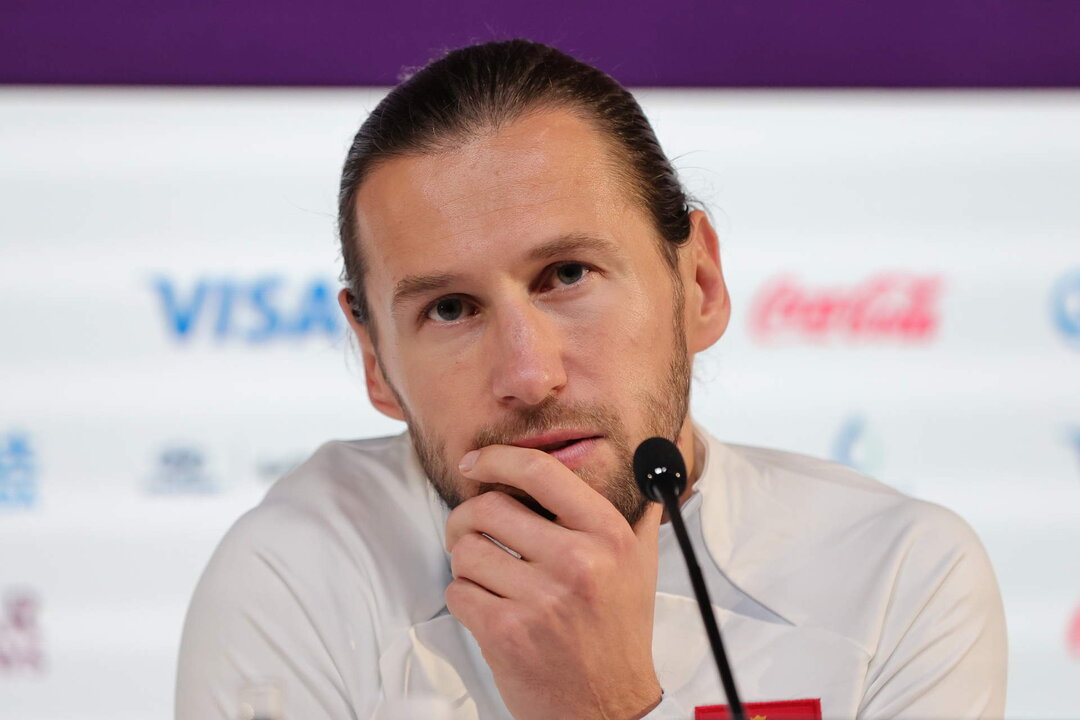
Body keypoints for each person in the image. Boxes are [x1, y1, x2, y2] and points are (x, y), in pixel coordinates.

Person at [176, 40, 1007, 720]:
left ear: (700, 287)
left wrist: (599, 708)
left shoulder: (903, 579)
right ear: (375, 360)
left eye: (567, 275)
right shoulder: (303, 572)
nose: (529, 376)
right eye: (452, 309)